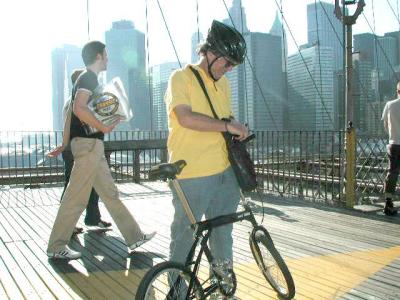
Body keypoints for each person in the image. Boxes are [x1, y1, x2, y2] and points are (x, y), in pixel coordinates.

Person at [47, 41, 155, 260]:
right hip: (88, 145)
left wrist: (66, 142)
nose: (107, 59)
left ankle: (134, 236)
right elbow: (78, 108)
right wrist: (103, 126)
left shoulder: (84, 79)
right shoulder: (89, 78)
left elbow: (71, 115)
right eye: (105, 55)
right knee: (75, 198)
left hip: (91, 145)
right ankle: (56, 246)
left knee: (110, 194)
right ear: (98, 56)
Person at [165, 20, 249, 275]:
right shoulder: (181, 78)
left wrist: (237, 127)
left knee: (223, 235)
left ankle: (221, 287)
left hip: (225, 172)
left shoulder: (222, 83)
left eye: (234, 65)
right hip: (192, 173)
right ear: (211, 53)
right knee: (184, 238)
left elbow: (225, 119)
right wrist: (227, 127)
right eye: (227, 63)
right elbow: (186, 118)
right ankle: (177, 291)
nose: (230, 69)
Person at [57, 69, 111, 233]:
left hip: (77, 148)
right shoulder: (77, 102)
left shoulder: (73, 101)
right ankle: (68, 225)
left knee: (90, 184)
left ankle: (92, 218)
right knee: (73, 187)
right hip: (79, 148)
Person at [382, 81, 400, 216]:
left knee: (392, 173)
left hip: (393, 144)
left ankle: (388, 202)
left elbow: (385, 125)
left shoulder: (389, 104)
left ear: (397, 90)